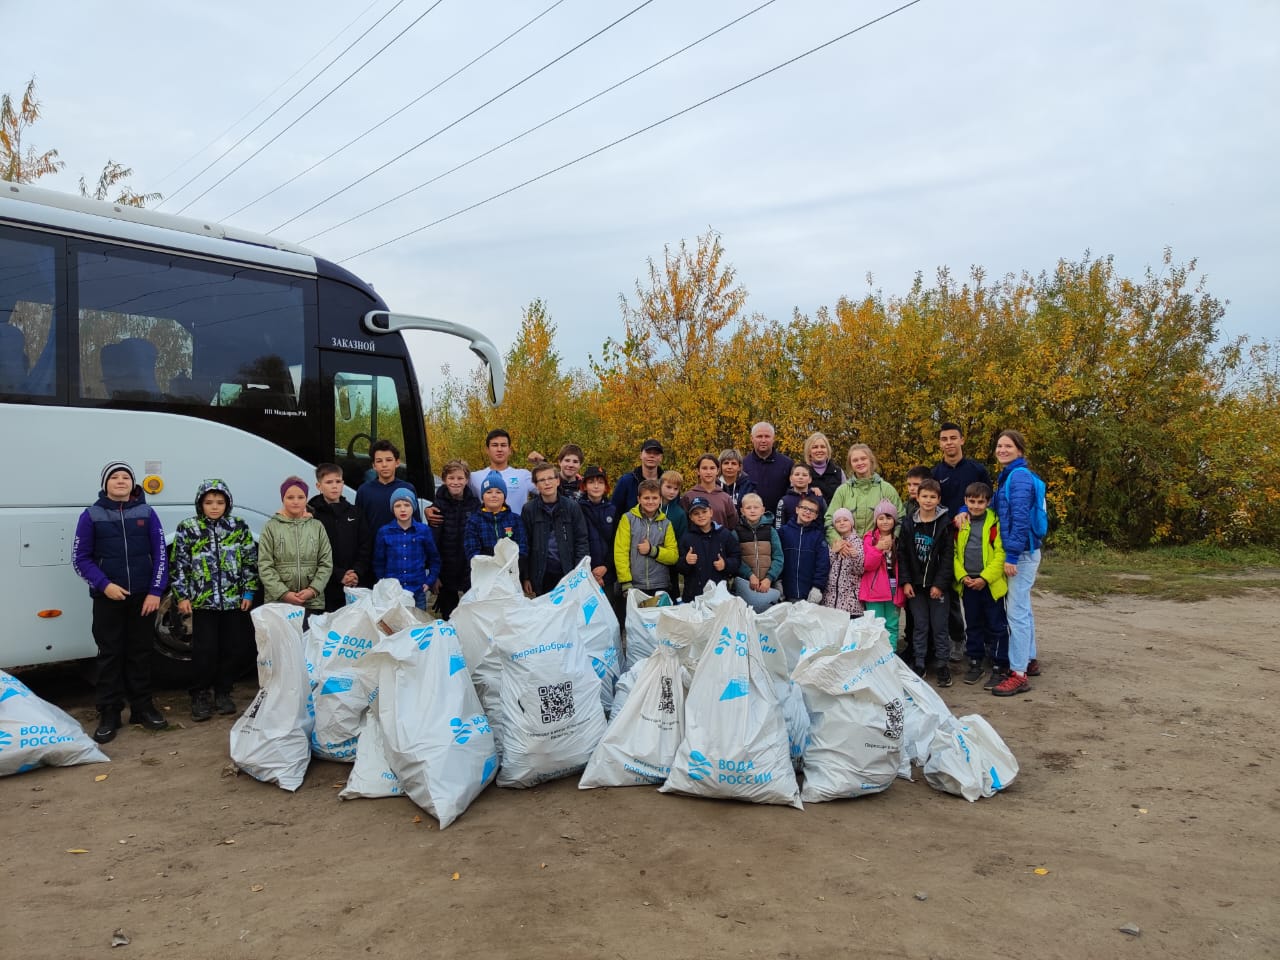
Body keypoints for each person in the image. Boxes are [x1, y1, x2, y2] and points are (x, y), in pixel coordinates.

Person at [72, 461, 170, 743]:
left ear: (132, 483)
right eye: (114, 477)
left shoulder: (147, 513)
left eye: (125, 477)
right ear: (105, 484)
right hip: (108, 598)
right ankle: (109, 712)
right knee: (109, 655)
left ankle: (142, 707)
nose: (120, 481)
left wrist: (155, 591)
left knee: (140, 653)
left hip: (143, 598)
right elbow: (81, 559)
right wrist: (105, 585)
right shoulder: (91, 515)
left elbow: (160, 555)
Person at [170, 479, 258, 721]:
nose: (214, 507)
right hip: (202, 602)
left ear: (227, 503)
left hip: (233, 601)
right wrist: (182, 595)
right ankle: (199, 693)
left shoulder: (238, 526)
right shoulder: (188, 527)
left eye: (220, 502)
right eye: (209, 502)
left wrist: (249, 591)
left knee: (233, 648)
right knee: (204, 650)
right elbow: (179, 564)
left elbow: (250, 561)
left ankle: (223, 691)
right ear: (201, 504)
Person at [990, 429, 1044, 696]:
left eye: (1008, 446)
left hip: (1021, 553)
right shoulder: (1011, 475)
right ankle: (1029, 659)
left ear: (1019, 450)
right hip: (1024, 551)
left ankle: (1018, 673)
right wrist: (967, 510)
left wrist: (1011, 555)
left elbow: (1020, 518)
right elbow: (998, 507)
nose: (1002, 450)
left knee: (1016, 613)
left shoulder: (1019, 476)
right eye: (999, 446)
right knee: (1023, 607)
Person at [933, 422, 992, 661]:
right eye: (944, 439)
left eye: (953, 438)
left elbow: (989, 499)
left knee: (981, 590)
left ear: (962, 440)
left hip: (977, 538)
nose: (949, 443)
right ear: (940, 444)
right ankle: (958, 639)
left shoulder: (977, 470)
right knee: (952, 591)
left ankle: (988, 641)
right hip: (948, 538)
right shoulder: (936, 473)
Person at [953, 482, 1010, 686]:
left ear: (987, 502)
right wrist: (962, 576)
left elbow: (1001, 554)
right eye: (972, 501)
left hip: (989, 583)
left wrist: (985, 578)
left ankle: (999, 664)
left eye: (980, 502)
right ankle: (975, 661)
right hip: (968, 583)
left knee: (996, 624)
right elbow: (953, 553)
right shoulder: (961, 523)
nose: (976, 506)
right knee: (973, 624)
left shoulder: (994, 523)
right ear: (965, 501)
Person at [258, 477, 333, 625]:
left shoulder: (317, 526)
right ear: (282, 499)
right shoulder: (271, 527)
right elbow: (265, 565)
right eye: (290, 497)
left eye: (301, 497)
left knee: (307, 645)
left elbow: (326, 563)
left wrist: (313, 590)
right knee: (282, 646)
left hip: (311, 602)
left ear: (306, 499)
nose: (295, 501)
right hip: (279, 603)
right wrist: (284, 593)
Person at [900, 479, 954, 685]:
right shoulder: (908, 523)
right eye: (924, 496)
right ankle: (920, 662)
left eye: (933, 497)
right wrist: (906, 582)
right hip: (915, 586)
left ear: (939, 499)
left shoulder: (945, 524)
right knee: (920, 626)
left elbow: (948, 558)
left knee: (939, 627)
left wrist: (939, 585)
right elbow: (903, 555)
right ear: (918, 497)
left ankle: (942, 665)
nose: (928, 501)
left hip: (937, 586)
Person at [309, 463, 372, 613]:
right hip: (325, 587)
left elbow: (366, 545)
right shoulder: (312, 514)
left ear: (343, 483)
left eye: (338, 481)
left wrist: (356, 571)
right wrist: (338, 575)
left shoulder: (355, 512)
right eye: (329, 482)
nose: (334, 486)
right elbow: (312, 551)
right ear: (319, 486)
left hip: (354, 583)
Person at [521, 461, 590, 597]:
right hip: (540, 574)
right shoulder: (529, 509)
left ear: (557, 481)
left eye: (550, 478)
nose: (547, 483)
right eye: (542, 480)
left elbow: (581, 541)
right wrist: (526, 576)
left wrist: (579, 572)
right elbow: (525, 544)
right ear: (536, 485)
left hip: (567, 572)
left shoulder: (571, 507)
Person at [373, 488, 441, 610]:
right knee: (395, 625)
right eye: (397, 506)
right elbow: (379, 561)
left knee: (418, 625)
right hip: (393, 592)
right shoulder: (384, 532)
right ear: (392, 509)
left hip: (417, 590)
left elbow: (434, 559)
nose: (402, 509)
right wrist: (383, 584)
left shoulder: (423, 531)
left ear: (413, 507)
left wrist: (429, 581)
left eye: (407, 505)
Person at [431, 459, 479, 619]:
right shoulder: (437, 505)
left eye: (460, 478)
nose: (456, 482)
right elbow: (433, 542)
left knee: (472, 615)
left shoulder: (474, 504)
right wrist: (434, 574)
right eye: (451, 478)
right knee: (449, 616)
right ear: (444, 480)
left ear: (466, 480)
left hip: (469, 568)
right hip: (446, 568)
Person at [826, 444, 904, 541]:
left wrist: (892, 537)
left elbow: (901, 518)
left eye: (863, 458)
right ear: (850, 464)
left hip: (878, 549)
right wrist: (837, 541)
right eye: (855, 460)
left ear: (871, 460)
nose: (860, 463)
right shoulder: (842, 491)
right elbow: (829, 520)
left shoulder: (886, 489)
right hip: (849, 551)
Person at [614, 478, 677, 596]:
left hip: (660, 584)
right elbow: (620, 552)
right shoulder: (628, 519)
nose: (650, 502)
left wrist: (652, 550)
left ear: (660, 500)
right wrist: (625, 581)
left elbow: (673, 556)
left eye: (654, 498)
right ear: (639, 499)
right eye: (646, 498)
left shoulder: (666, 523)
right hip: (634, 584)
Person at [677, 497, 741, 602]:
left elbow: (737, 558)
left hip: (719, 596)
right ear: (691, 517)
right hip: (693, 596)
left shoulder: (724, 534)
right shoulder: (686, 538)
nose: (701, 516)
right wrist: (686, 561)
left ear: (711, 512)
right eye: (696, 513)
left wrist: (726, 564)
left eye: (704, 511)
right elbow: (679, 567)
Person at [861, 500, 905, 649]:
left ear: (894, 520)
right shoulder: (869, 538)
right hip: (874, 592)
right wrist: (878, 548)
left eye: (888, 517)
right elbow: (867, 564)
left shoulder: (899, 539)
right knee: (875, 627)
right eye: (881, 518)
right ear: (876, 520)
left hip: (894, 590)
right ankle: (877, 658)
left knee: (892, 626)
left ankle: (890, 657)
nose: (885, 522)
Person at [463, 470, 529, 563]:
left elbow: (522, 547)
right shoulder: (474, 521)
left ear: (504, 497)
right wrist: (491, 562)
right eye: (489, 492)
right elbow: (472, 551)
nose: (494, 495)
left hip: (511, 570)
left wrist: (511, 563)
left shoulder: (515, 519)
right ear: (482, 496)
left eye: (498, 492)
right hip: (484, 571)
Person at [355, 440, 419, 533]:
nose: (384, 465)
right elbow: (359, 525)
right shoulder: (364, 490)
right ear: (374, 465)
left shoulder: (408, 489)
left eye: (389, 460)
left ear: (397, 463)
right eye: (379, 461)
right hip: (373, 546)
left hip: (402, 545)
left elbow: (416, 523)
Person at [733, 493, 782, 612]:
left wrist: (769, 578)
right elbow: (735, 558)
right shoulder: (736, 532)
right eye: (748, 508)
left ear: (762, 510)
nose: (752, 511)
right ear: (742, 511)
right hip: (745, 584)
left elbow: (778, 557)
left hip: (768, 585)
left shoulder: (771, 531)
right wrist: (750, 575)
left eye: (756, 507)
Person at [778, 495, 830, 602]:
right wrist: (777, 581)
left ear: (816, 516)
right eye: (804, 508)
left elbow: (823, 563)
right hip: (785, 593)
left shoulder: (818, 536)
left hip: (809, 595)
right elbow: (776, 557)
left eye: (812, 510)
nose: (808, 512)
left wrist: (817, 587)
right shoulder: (783, 532)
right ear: (797, 510)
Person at [467, 429, 534, 511]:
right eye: (495, 445)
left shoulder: (524, 475)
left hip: (517, 523)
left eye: (503, 445)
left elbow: (551, 487)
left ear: (509, 450)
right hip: (484, 523)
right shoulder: (474, 477)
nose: (499, 449)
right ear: (487, 450)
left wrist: (542, 463)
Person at [578, 465, 618, 592]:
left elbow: (616, 543)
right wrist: (591, 570)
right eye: (591, 482)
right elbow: (578, 542)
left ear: (606, 487)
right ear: (584, 486)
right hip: (585, 573)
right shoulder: (577, 509)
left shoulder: (613, 510)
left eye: (600, 483)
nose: (596, 486)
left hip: (607, 574)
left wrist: (606, 567)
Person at [742, 421, 794, 516]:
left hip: (779, 520)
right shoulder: (743, 464)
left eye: (767, 436)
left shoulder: (787, 464)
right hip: (751, 522)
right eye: (759, 436)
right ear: (752, 439)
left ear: (773, 439)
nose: (763, 440)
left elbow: (794, 491)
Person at [822, 507, 864, 617]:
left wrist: (855, 556)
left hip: (851, 602)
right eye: (838, 521)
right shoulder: (833, 542)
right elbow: (825, 567)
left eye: (845, 520)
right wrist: (833, 551)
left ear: (851, 523)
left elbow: (860, 570)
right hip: (830, 601)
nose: (842, 523)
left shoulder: (859, 542)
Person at [681, 453, 738, 530]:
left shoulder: (725, 498)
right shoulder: (688, 497)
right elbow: (684, 524)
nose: (708, 472)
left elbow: (732, 525)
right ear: (698, 471)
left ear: (717, 471)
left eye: (712, 468)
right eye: (704, 468)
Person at [611, 438, 664, 515]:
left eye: (656, 453)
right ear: (641, 455)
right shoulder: (626, 481)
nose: (652, 456)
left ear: (661, 458)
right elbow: (614, 512)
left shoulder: (668, 483)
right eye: (648, 452)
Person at [775, 462, 827, 529]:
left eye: (804, 475)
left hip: (815, 538)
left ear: (810, 479)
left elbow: (826, 522)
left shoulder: (819, 499)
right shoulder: (784, 501)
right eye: (797, 474)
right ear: (791, 478)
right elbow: (779, 526)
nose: (800, 477)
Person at [803, 431, 845, 504]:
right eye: (815, 447)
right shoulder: (802, 472)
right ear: (809, 451)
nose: (819, 450)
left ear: (828, 450)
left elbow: (846, 497)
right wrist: (809, 490)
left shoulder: (838, 472)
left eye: (822, 447)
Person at [660, 470, 689, 543]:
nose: (672, 492)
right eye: (668, 487)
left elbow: (682, 539)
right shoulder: (650, 506)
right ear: (660, 485)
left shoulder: (680, 513)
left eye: (676, 489)